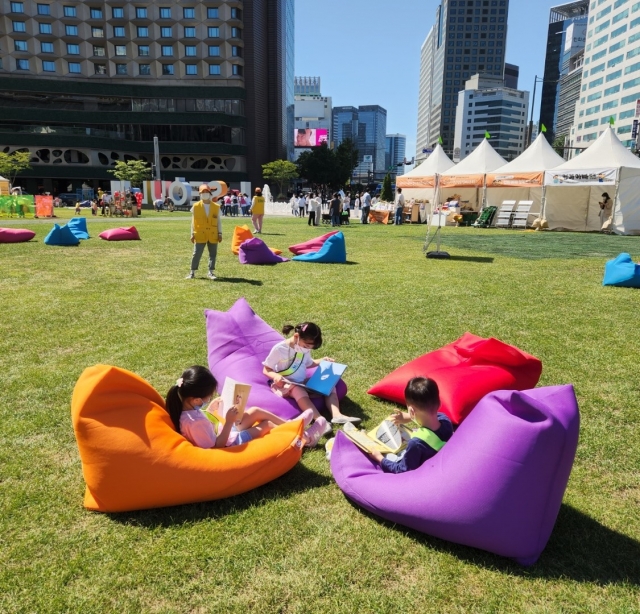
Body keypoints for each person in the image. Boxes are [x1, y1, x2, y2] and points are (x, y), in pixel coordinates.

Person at [165, 366, 323, 449]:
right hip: (228, 444)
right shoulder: (194, 422)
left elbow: (205, 430)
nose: (210, 398)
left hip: (222, 433)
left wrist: (211, 409)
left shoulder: (187, 408)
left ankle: (291, 425)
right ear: (196, 399)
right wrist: (228, 422)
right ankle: (304, 439)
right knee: (266, 425)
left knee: (254, 411)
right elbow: (217, 446)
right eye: (208, 397)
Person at [262, 322, 360, 427]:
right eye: (306, 346)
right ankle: (319, 421)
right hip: (284, 384)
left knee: (328, 383)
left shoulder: (303, 348)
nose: (307, 349)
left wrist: (322, 360)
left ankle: (337, 415)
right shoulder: (279, 349)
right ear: (296, 336)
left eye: (310, 347)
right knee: (298, 389)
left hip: (301, 382)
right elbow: (266, 369)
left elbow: (308, 363)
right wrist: (276, 376)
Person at [368, 377, 453, 473]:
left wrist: (379, 458)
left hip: (417, 468)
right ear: (439, 403)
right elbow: (430, 417)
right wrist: (408, 416)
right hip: (436, 460)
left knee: (388, 455)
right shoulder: (445, 420)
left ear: (412, 411)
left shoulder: (416, 444)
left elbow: (402, 469)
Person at [186, 184, 222, 280]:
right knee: (196, 253)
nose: (205, 194)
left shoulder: (216, 206)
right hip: (199, 233)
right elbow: (193, 222)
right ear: (200, 194)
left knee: (213, 254)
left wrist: (220, 233)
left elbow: (218, 221)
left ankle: (211, 272)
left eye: (206, 192)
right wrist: (192, 233)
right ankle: (192, 272)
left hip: (213, 234)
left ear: (210, 193)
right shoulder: (196, 206)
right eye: (203, 192)